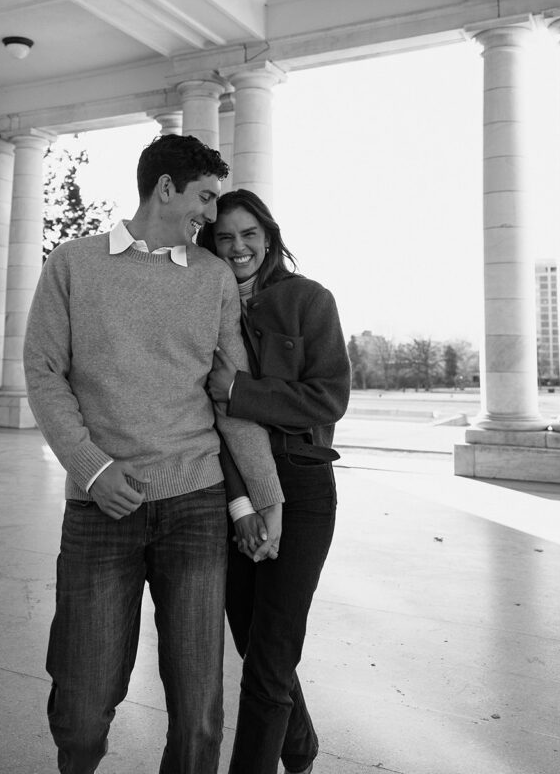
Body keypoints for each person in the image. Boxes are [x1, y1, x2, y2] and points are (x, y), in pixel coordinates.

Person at [23, 135, 284, 774]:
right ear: (165, 187)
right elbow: (44, 371)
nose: (211, 214)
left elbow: (230, 396)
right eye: (204, 196)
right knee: (82, 711)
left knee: (198, 716)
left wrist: (267, 495)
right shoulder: (73, 265)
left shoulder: (214, 278)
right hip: (99, 510)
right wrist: (91, 467)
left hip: (195, 506)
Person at [199, 189, 351, 774]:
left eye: (248, 235)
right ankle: (302, 746)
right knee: (253, 638)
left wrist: (240, 390)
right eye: (224, 237)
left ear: (269, 236)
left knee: (269, 656)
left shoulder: (309, 300)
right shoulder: (207, 305)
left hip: (304, 487)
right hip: (232, 487)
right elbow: (213, 422)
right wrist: (241, 501)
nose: (237, 247)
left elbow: (328, 397)